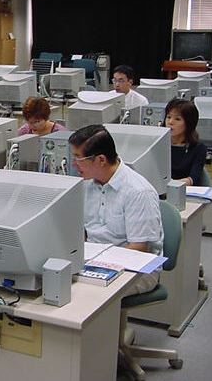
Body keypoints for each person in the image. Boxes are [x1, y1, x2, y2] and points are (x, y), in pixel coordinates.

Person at [69, 125, 163, 296]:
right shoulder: (86, 184)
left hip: (136, 269)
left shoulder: (138, 191)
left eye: (78, 158)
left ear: (101, 160)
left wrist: (98, 265)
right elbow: (82, 231)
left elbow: (139, 248)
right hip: (94, 259)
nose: (74, 164)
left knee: (82, 294)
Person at [163, 98, 207, 186]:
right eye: (168, 117)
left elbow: (193, 178)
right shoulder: (159, 145)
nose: (170, 122)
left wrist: (172, 185)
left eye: (177, 119)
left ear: (189, 123)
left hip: (184, 191)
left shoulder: (198, 148)